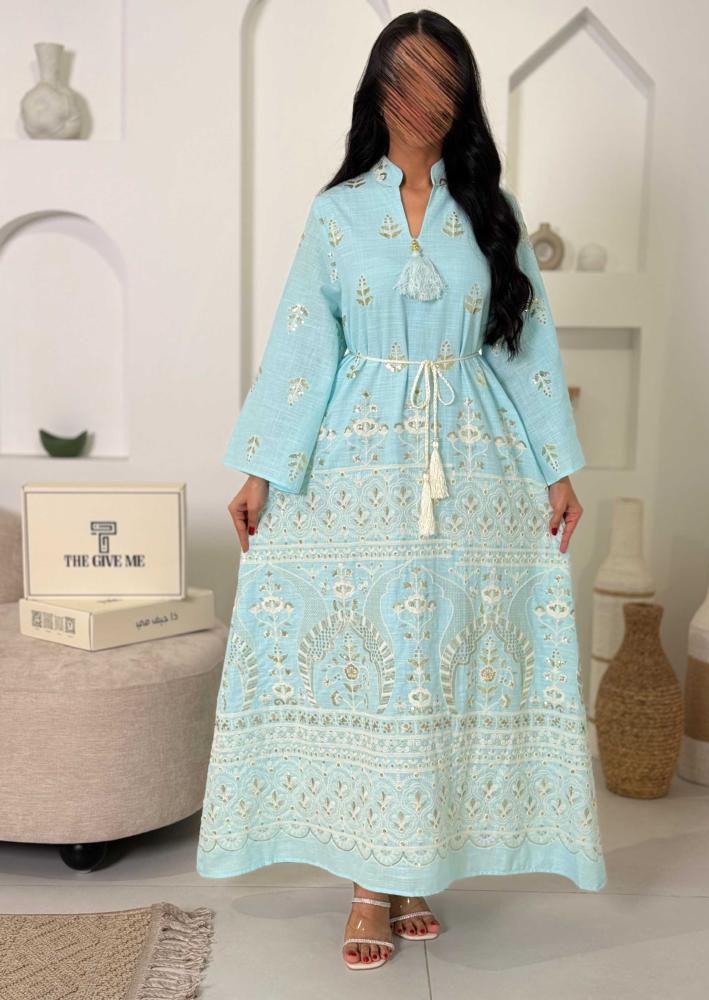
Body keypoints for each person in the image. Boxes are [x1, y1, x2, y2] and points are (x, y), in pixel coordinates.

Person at [196, 8, 606, 971]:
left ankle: (415, 865)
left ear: (462, 98)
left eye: (442, 83)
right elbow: (302, 347)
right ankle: (367, 884)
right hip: (356, 471)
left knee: (439, 668)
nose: (424, 101)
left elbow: (526, 347)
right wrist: (261, 471)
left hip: (475, 471)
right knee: (377, 667)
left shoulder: (491, 212)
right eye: (407, 80)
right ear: (377, 91)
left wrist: (557, 468)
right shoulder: (337, 214)